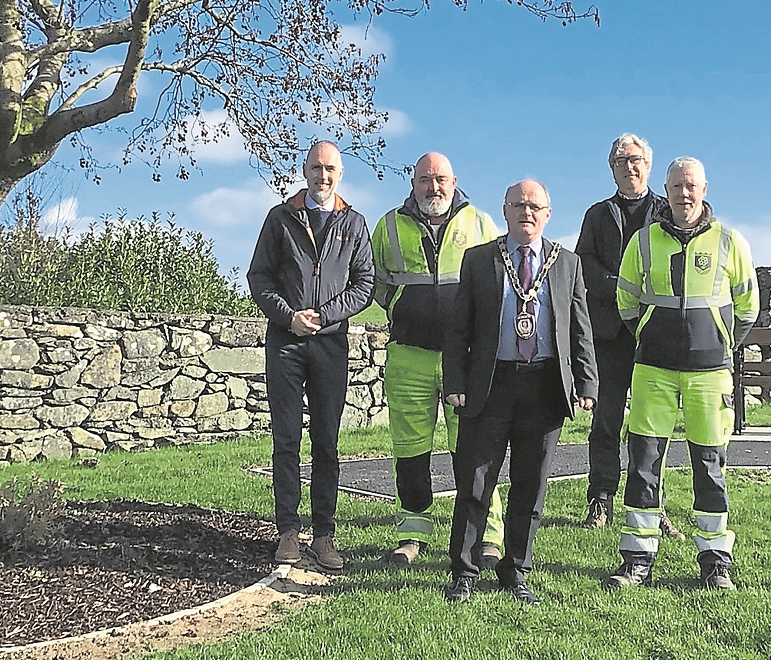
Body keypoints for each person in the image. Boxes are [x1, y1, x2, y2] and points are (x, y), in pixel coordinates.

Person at [603, 157, 758, 591]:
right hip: (653, 369)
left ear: (704, 188)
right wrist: (653, 336)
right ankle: (637, 558)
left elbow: (748, 308)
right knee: (644, 462)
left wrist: (719, 340)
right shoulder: (644, 241)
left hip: (710, 373)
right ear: (665, 190)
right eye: (676, 187)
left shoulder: (730, 242)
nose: (684, 194)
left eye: (691, 186)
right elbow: (626, 301)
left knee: (709, 466)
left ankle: (714, 561)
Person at [442, 180, 598, 604]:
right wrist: (454, 382)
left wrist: (586, 382)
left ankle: (515, 570)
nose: (526, 212)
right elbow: (460, 329)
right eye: (518, 205)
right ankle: (465, 569)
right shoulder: (479, 260)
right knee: (476, 482)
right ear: (505, 210)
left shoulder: (566, 263)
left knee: (530, 485)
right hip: (490, 385)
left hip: (545, 385)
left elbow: (579, 327)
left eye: (535, 206)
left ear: (548, 213)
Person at [371, 152, 506, 567]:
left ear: (455, 181)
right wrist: (402, 307)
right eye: (426, 179)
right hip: (409, 355)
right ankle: (412, 532)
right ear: (413, 183)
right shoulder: (388, 226)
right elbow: (375, 282)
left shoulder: (481, 224)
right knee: (410, 451)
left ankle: (488, 534)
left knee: (474, 449)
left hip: (464, 360)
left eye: (441, 179)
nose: (434, 187)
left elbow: (498, 283)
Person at [247, 141, 375, 571]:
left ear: (340, 174)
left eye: (331, 169)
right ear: (305, 170)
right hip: (285, 341)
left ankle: (324, 535)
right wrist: (288, 317)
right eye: (317, 167)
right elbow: (259, 277)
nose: (324, 175)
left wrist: (324, 316)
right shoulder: (279, 219)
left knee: (326, 442)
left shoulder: (354, 223)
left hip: (330, 342)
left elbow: (365, 283)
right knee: (286, 440)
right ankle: (287, 531)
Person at [574, 133, 684, 539]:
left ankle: (652, 502)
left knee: (652, 425)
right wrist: (623, 285)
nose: (629, 167)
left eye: (635, 160)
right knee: (605, 421)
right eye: (621, 161)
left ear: (648, 165)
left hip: (654, 332)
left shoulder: (666, 211)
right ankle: (599, 499)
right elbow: (583, 263)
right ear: (612, 168)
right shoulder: (597, 215)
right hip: (608, 336)